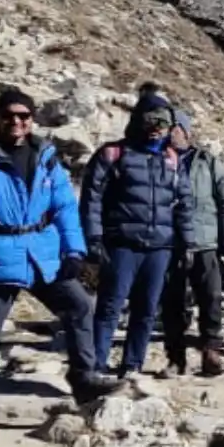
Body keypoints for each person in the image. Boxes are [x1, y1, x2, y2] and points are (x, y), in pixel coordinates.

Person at [0, 88, 121, 421]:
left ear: (32, 119)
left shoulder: (45, 156)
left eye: (23, 116)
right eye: (8, 115)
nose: (16, 122)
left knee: (81, 306)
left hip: (41, 251)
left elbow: (65, 206)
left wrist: (74, 250)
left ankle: (84, 378)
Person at [80, 92, 194, 377]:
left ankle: (132, 365)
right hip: (121, 245)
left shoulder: (173, 161)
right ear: (137, 121)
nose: (156, 127)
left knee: (145, 310)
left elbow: (184, 204)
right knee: (109, 307)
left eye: (164, 122)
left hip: (160, 247)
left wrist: (187, 242)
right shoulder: (113, 154)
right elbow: (92, 198)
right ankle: (95, 367)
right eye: (150, 119)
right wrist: (93, 237)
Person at [163, 110, 224, 376]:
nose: (171, 132)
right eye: (167, 127)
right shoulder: (157, 159)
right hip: (170, 243)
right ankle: (176, 357)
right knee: (172, 301)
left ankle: (211, 351)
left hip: (206, 241)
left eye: (176, 127)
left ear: (187, 131)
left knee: (211, 297)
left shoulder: (206, 160)